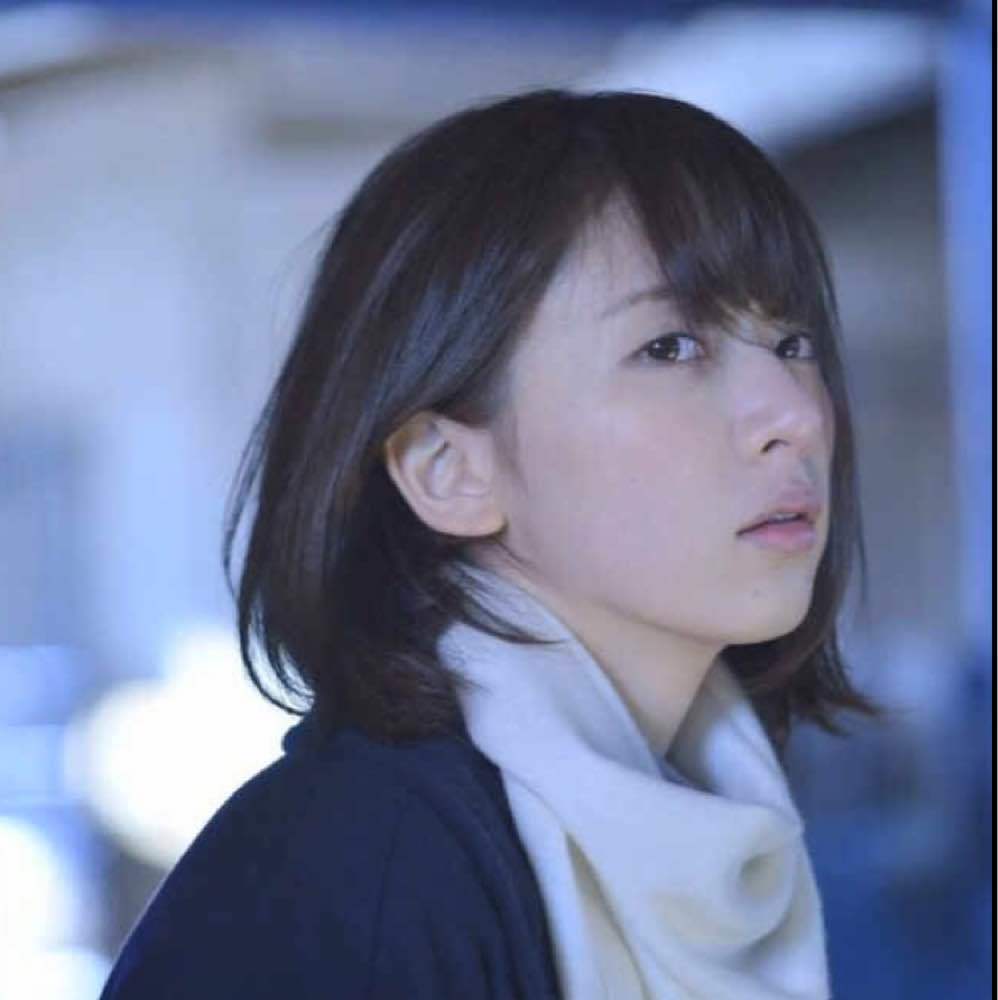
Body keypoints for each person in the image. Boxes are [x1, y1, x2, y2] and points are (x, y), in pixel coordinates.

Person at [99, 88, 886, 999]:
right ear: (448, 471)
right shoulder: (351, 884)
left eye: (792, 342)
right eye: (671, 348)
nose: (794, 415)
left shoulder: (725, 832)